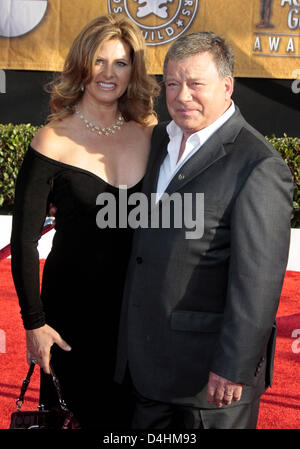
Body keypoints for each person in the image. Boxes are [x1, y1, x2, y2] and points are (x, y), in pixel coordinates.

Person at [114, 32, 294, 429]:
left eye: (196, 84)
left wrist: (234, 366)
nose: (181, 96)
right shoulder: (159, 140)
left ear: (227, 86)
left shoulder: (258, 165)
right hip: (145, 370)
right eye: (173, 84)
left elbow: (258, 282)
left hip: (210, 386)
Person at [10, 13, 159, 429]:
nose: (109, 74)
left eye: (121, 63)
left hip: (136, 317)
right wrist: (35, 325)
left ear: (134, 72)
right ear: (81, 65)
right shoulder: (52, 140)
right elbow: (23, 244)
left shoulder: (151, 134)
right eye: (99, 61)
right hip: (69, 321)